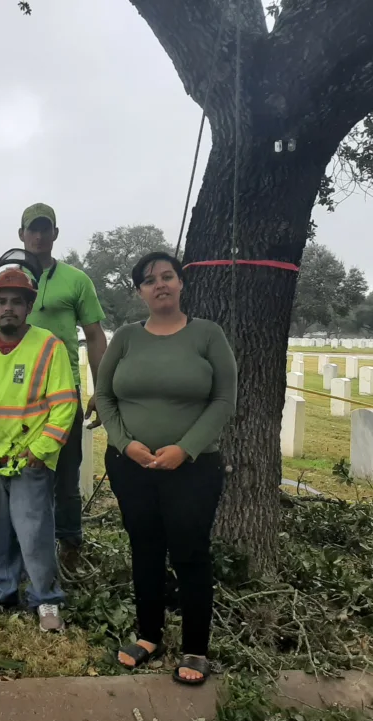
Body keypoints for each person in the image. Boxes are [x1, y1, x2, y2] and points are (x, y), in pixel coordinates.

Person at [94, 251, 236, 686]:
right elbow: (104, 396)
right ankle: (149, 635)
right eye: (149, 279)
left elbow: (223, 400)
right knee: (146, 548)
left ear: (180, 283)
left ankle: (195, 648)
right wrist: (126, 443)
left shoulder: (207, 335)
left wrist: (185, 449)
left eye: (167, 276)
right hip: (131, 465)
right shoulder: (126, 338)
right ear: (140, 291)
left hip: (193, 468)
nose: (160, 284)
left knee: (190, 552)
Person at [0, 204, 107, 569]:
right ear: (21, 234)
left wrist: (101, 390)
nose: (38, 236)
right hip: (14, 401)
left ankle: (68, 546)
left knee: (65, 476)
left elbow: (95, 336)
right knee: (17, 472)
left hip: (61, 395)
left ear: (55, 233)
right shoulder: (6, 281)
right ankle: (20, 551)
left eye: (45, 229)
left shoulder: (76, 280)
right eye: (31, 229)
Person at [0, 268, 78, 631]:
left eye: (16, 301)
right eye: (1, 301)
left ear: (28, 306)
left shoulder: (49, 346)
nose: (8, 308)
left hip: (30, 458)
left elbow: (64, 403)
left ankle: (46, 598)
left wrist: (42, 448)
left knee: (34, 530)